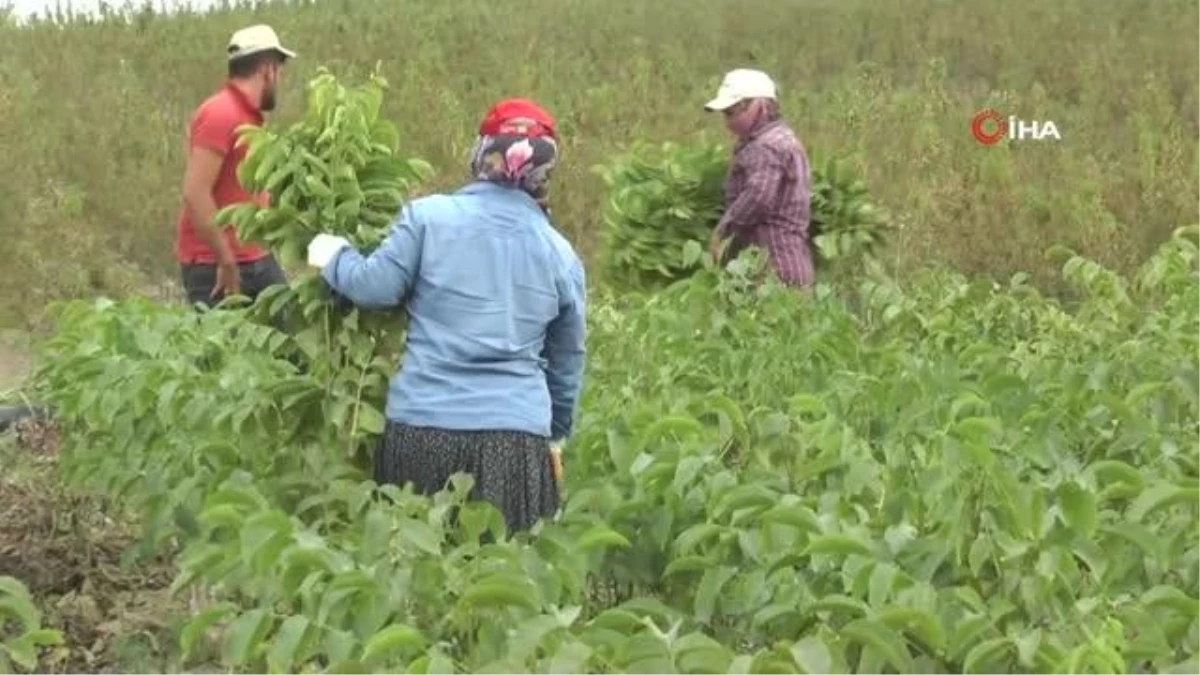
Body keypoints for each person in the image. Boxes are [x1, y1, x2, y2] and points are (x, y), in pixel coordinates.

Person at [305, 99, 588, 535]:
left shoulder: (428, 219)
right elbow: (567, 362)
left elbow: (374, 288)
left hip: (423, 429)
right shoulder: (560, 254)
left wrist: (333, 257)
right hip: (514, 442)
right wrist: (555, 435)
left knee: (415, 574)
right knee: (502, 583)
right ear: (545, 169)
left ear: (482, 151)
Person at [175, 24, 296, 308]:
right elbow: (195, 192)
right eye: (280, 72)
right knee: (225, 350)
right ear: (267, 70)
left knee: (291, 342)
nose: (280, 80)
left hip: (256, 258)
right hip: (214, 266)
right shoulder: (221, 112)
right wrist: (225, 259)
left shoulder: (251, 118)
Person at [703, 68, 815, 288]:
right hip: (793, 262)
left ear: (759, 106)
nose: (728, 122)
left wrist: (722, 231)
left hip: (774, 268)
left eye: (731, 112)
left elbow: (758, 197)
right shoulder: (784, 137)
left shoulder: (766, 147)